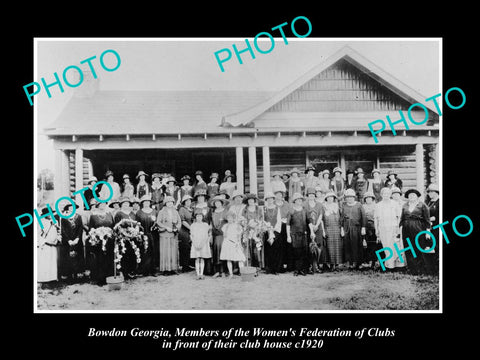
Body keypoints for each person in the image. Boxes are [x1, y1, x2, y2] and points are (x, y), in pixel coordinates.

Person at [399, 188, 432, 275]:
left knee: (418, 247)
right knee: (409, 247)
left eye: (413, 195)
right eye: (410, 196)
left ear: (417, 196)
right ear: (408, 197)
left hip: (418, 227)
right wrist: (400, 227)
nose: (412, 197)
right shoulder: (405, 205)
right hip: (406, 229)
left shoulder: (422, 205)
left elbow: (427, 219)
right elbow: (402, 218)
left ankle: (421, 269)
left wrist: (428, 231)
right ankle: (412, 268)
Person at [374, 187, 405, 271]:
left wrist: (398, 228)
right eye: (384, 194)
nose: (386, 195)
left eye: (388, 194)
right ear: (381, 195)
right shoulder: (378, 205)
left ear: (390, 195)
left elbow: (399, 217)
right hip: (383, 228)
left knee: (395, 246)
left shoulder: (394, 204)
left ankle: (398, 265)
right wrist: (377, 230)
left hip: (393, 228)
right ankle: (389, 265)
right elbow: (376, 219)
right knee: (386, 246)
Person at [87, 200, 115, 286]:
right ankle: (100, 279)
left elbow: (113, 226)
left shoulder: (109, 214)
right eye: (100, 204)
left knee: (109, 258)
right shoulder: (93, 216)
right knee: (100, 259)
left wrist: (111, 233)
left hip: (109, 240)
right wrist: (97, 233)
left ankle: (109, 277)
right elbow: (90, 228)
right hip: (99, 241)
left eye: (104, 204)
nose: (102, 205)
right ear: (97, 205)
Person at [59, 201, 85, 283]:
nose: (71, 208)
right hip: (67, 242)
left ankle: (78, 277)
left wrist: (77, 238)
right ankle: (69, 277)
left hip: (77, 241)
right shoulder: (63, 217)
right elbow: (63, 230)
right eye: (70, 206)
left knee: (78, 257)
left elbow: (80, 228)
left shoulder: (78, 217)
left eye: (73, 206)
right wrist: (68, 240)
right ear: (67, 208)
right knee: (68, 258)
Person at [341, 188, 366, 270]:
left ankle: (358, 263)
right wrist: (342, 228)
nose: (349, 198)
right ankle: (350, 262)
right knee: (348, 245)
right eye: (347, 197)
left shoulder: (359, 205)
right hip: (347, 228)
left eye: (351, 197)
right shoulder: (344, 205)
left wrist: (363, 227)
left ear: (354, 197)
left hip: (356, 228)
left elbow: (363, 217)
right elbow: (341, 218)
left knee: (357, 245)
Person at [156, 196, 182, 275]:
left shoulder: (175, 212)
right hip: (165, 234)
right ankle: (166, 269)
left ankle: (173, 268)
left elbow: (179, 222)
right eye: (168, 202)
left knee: (173, 251)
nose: (170, 204)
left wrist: (176, 228)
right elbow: (158, 222)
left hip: (173, 234)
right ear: (165, 203)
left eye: (171, 202)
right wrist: (166, 227)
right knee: (165, 251)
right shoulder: (161, 212)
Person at [114, 197, 137, 279]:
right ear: (121, 205)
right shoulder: (119, 214)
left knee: (132, 254)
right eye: (124, 203)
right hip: (122, 237)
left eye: (127, 203)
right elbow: (117, 226)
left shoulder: (132, 214)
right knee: (124, 254)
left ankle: (131, 271)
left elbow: (136, 224)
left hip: (132, 237)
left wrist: (135, 232)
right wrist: (125, 233)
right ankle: (124, 272)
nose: (126, 205)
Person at [135, 194, 158, 277]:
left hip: (153, 234)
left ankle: (153, 270)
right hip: (143, 234)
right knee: (145, 252)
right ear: (142, 203)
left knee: (153, 251)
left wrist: (155, 227)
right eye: (145, 202)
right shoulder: (139, 212)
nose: (146, 203)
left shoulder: (154, 211)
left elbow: (157, 222)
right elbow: (137, 224)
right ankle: (145, 270)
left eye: (148, 202)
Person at [305, 188, 327, 273]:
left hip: (318, 228)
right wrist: (311, 228)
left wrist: (317, 225)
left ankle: (317, 265)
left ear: (315, 196)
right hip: (309, 228)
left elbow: (321, 216)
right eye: (309, 195)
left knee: (318, 247)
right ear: (307, 196)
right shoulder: (305, 205)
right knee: (310, 247)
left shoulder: (319, 205)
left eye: (313, 195)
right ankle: (310, 266)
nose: (311, 196)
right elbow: (306, 217)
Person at [287, 193, 308, 276]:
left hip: (303, 234)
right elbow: (288, 224)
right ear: (294, 201)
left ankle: (302, 269)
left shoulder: (304, 210)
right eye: (297, 200)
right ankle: (296, 269)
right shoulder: (291, 211)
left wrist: (312, 232)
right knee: (296, 252)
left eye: (300, 200)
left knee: (303, 252)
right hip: (295, 235)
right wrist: (288, 236)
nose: (299, 201)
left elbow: (308, 222)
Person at [220, 211, 246, 278]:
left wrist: (239, 244)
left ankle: (243, 273)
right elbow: (224, 236)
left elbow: (239, 236)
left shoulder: (237, 226)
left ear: (234, 218)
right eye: (228, 218)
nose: (230, 219)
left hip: (235, 243)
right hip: (227, 243)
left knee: (240, 259)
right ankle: (231, 274)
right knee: (229, 259)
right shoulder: (225, 226)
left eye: (231, 217)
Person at [37, 207, 60, 285]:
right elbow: (38, 234)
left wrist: (57, 238)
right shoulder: (41, 222)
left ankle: (52, 277)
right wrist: (44, 241)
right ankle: (44, 278)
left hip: (53, 244)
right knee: (45, 261)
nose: (51, 215)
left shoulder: (55, 221)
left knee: (52, 260)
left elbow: (58, 231)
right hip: (45, 245)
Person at [242, 193, 265, 268]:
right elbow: (243, 219)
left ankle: (257, 266)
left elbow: (261, 219)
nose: (251, 201)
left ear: (254, 201)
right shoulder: (245, 209)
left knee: (257, 249)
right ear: (247, 201)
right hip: (248, 231)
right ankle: (250, 266)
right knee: (249, 248)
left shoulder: (258, 209)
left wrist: (257, 226)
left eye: (252, 200)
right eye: (249, 200)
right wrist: (246, 224)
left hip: (257, 231)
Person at [262, 191, 282, 274]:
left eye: (271, 199)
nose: (270, 200)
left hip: (275, 231)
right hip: (267, 230)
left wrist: (274, 229)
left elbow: (279, 219)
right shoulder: (264, 208)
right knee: (268, 249)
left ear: (273, 199)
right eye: (268, 199)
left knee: (275, 250)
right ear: (266, 200)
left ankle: (275, 269)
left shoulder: (277, 208)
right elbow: (263, 219)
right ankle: (268, 268)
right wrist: (267, 227)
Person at [322, 192, 343, 271]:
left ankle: (337, 264)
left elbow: (340, 218)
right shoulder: (323, 206)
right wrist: (324, 230)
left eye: (332, 197)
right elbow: (322, 219)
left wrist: (341, 228)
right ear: (326, 198)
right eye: (328, 197)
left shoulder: (337, 206)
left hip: (336, 227)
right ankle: (331, 264)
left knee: (337, 246)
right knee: (329, 246)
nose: (330, 199)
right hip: (328, 227)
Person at [190, 210, 212, 280]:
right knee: (197, 258)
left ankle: (201, 274)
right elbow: (191, 235)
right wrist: (195, 243)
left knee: (202, 258)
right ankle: (198, 274)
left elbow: (207, 235)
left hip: (203, 243)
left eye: (200, 216)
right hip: (196, 243)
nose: (199, 218)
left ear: (202, 217)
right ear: (195, 217)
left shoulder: (205, 225)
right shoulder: (193, 225)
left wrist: (203, 243)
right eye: (197, 216)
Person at [210, 195, 229, 277]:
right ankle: (216, 271)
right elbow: (211, 224)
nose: (217, 204)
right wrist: (210, 233)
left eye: (219, 202)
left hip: (223, 234)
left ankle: (223, 271)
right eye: (216, 203)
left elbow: (230, 222)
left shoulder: (225, 211)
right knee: (215, 252)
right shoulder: (213, 212)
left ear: (221, 203)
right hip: (215, 234)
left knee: (223, 252)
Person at [274, 189, 292, 272]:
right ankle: (279, 265)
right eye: (277, 195)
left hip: (285, 225)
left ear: (282, 196)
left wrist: (286, 222)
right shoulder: (273, 204)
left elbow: (289, 215)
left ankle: (287, 265)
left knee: (286, 245)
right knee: (278, 246)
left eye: (280, 195)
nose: (279, 196)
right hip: (276, 227)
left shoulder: (286, 204)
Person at [362, 191, 379, 269]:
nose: (368, 200)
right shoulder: (362, 207)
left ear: (372, 199)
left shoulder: (376, 206)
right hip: (364, 227)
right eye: (367, 198)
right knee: (365, 244)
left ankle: (373, 262)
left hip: (373, 227)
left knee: (374, 245)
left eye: (370, 198)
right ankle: (366, 261)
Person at [178, 194, 194, 273]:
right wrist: (190, 228)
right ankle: (184, 266)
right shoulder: (182, 209)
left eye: (190, 200)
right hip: (184, 230)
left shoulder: (191, 209)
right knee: (185, 247)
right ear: (184, 202)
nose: (188, 202)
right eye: (187, 201)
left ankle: (189, 264)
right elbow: (182, 220)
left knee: (190, 247)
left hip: (191, 230)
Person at [426, 183, 440, 275]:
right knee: (431, 246)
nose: (429, 194)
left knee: (437, 247)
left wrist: (430, 219)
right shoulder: (429, 202)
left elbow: (439, 215)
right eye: (428, 192)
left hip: (437, 227)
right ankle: (432, 268)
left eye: (431, 192)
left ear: (436, 192)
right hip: (429, 227)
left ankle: (438, 268)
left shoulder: (439, 202)